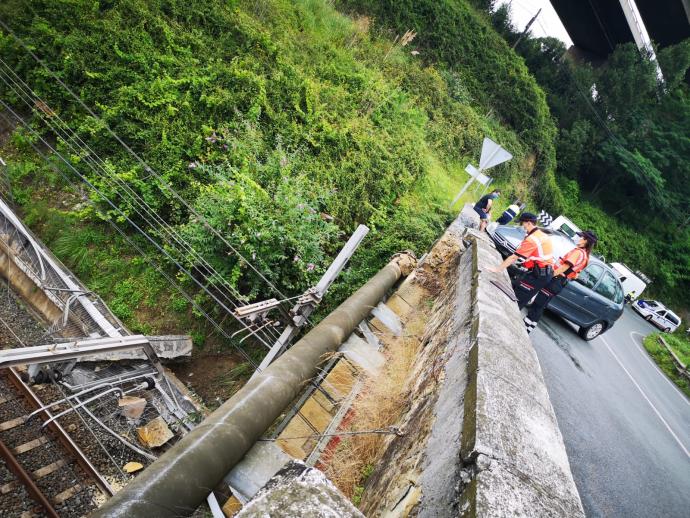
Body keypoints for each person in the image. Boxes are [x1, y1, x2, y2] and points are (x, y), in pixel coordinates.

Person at [523, 230, 597, 334]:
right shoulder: (585, 256)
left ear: (585, 241)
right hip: (560, 282)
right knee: (541, 305)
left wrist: (549, 275)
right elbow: (576, 274)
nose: (577, 237)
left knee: (538, 304)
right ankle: (529, 327)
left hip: (555, 279)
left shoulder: (578, 252)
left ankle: (525, 327)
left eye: (580, 236)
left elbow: (564, 267)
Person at [488, 212, 553, 308]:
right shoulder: (541, 235)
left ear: (529, 223)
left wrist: (497, 269)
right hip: (541, 273)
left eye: (522, 223)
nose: (522, 226)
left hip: (539, 275)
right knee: (520, 293)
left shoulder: (533, 239)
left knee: (518, 298)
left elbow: (514, 257)